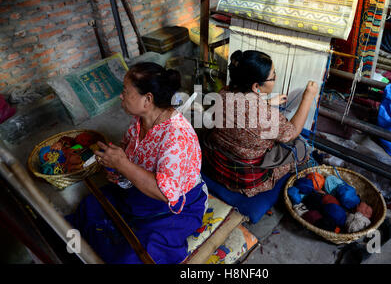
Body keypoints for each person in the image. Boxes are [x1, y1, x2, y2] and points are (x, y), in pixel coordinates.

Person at [66, 62, 208, 264]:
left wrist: (123, 165)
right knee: (91, 206)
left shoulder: (177, 137)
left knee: (138, 254)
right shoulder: (139, 123)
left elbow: (165, 193)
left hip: (175, 207)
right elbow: (130, 155)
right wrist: (114, 164)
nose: (121, 96)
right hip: (140, 193)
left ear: (148, 99)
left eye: (125, 91)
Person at [202, 50, 318, 197]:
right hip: (244, 180)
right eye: (273, 76)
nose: (276, 77)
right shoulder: (266, 116)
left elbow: (243, 109)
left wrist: (266, 102)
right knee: (301, 147)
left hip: (217, 166)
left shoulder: (223, 93)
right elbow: (293, 131)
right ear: (256, 86)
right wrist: (308, 96)